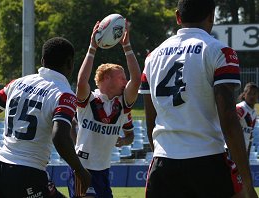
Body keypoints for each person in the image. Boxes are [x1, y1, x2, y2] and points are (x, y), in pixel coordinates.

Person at [139, 0, 258, 197]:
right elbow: (228, 119)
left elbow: (150, 122)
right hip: (207, 160)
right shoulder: (220, 52)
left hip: (163, 163)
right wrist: (247, 181)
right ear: (212, 16)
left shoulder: (152, 57)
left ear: (178, 16)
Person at [0, 37, 91, 198]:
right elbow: (60, 136)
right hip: (27, 173)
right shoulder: (64, 94)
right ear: (70, 63)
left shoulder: (17, 83)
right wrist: (79, 169)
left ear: (43, 60)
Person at [67, 20, 141, 198]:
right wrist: (92, 47)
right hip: (81, 168)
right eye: (122, 78)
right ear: (107, 78)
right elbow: (81, 82)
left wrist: (127, 46)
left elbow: (137, 79)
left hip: (103, 171)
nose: (126, 81)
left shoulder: (122, 104)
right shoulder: (89, 100)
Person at [236, 82, 259, 156]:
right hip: (234, 149)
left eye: (255, 93)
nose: (252, 96)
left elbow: (250, 134)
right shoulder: (240, 108)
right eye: (249, 93)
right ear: (244, 94)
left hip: (243, 151)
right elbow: (230, 127)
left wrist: (247, 154)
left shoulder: (254, 113)